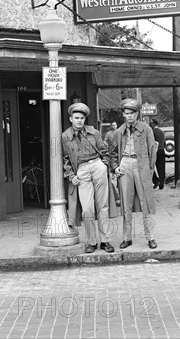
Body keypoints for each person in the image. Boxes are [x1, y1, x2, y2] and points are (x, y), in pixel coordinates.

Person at [62, 103, 117, 254]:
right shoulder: (66, 136)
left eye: (82, 118)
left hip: (97, 166)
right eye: (76, 118)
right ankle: (92, 241)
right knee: (87, 209)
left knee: (102, 206)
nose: (79, 120)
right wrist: (71, 175)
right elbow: (65, 158)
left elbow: (104, 150)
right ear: (71, 119)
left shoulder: (94, 132)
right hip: (81, 170)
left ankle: (105, 241)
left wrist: (104, 165)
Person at [111, 98, 158, 249]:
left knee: (146, 203)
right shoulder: (119, 131)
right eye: (127, 113)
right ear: (124, 115)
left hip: (141, 164)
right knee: (126, 203)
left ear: (137, 114)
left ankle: (150, 237)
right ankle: (127, 237)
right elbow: (112, 152)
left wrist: (150, 170)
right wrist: (115, 167)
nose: (129, 116)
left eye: (132, 113)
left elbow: (152, 150)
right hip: (125, 163)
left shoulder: (146, 129)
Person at [150, 118, 166, 190]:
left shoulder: (152, 132)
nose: (150, 124)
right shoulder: (162, 132)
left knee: (150, 167)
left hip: (154, 151)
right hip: (161, 150)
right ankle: (161, 183)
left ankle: (156, 180)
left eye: (151, 123)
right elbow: (164, 142)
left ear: (154, 123)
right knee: (161, 168)